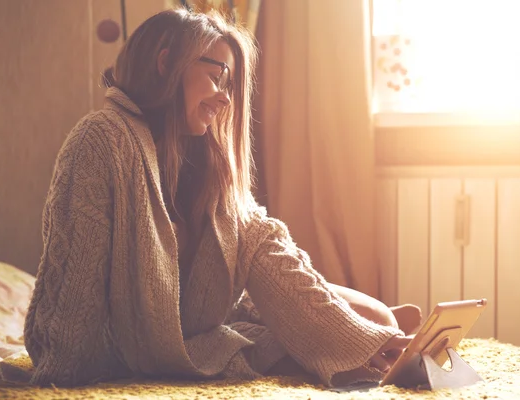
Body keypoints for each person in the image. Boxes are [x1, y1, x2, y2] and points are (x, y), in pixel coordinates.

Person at [22, 7, 421, 388]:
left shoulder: (205, 159)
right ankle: (381, 327)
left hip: (208, 322)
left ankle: (380, 326)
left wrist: (364, 337)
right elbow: (74, 301)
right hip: (143, 343)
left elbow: (265, 245)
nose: (225, 99)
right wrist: (65, 364)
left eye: (229, 85)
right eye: (217, 78)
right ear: (165, 64)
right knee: (342, 334)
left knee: (364, 324)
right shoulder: (101, 138)